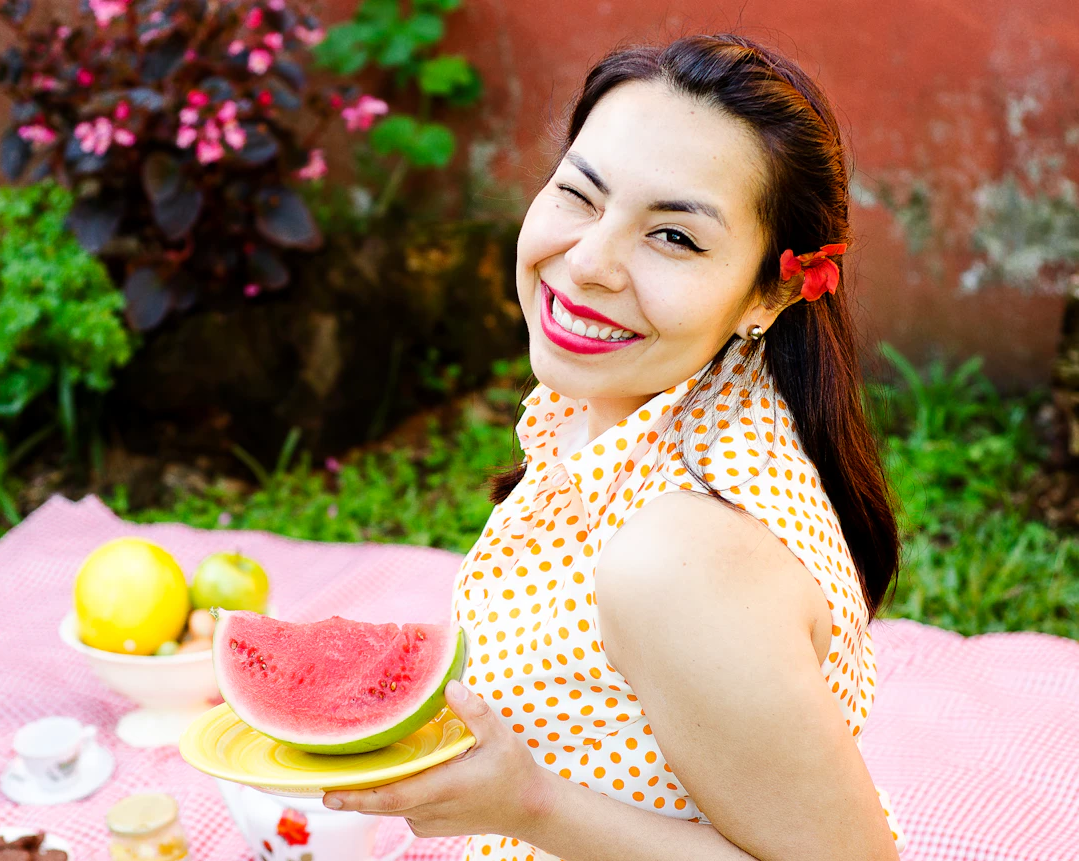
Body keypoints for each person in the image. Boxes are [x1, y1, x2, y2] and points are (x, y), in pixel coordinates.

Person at [322, 33, 909, 860]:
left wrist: (529, 804)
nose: (590, 261)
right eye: (580, 194)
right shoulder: (644, 406)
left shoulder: (680, 556)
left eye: (674, 237)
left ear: (771, 293)